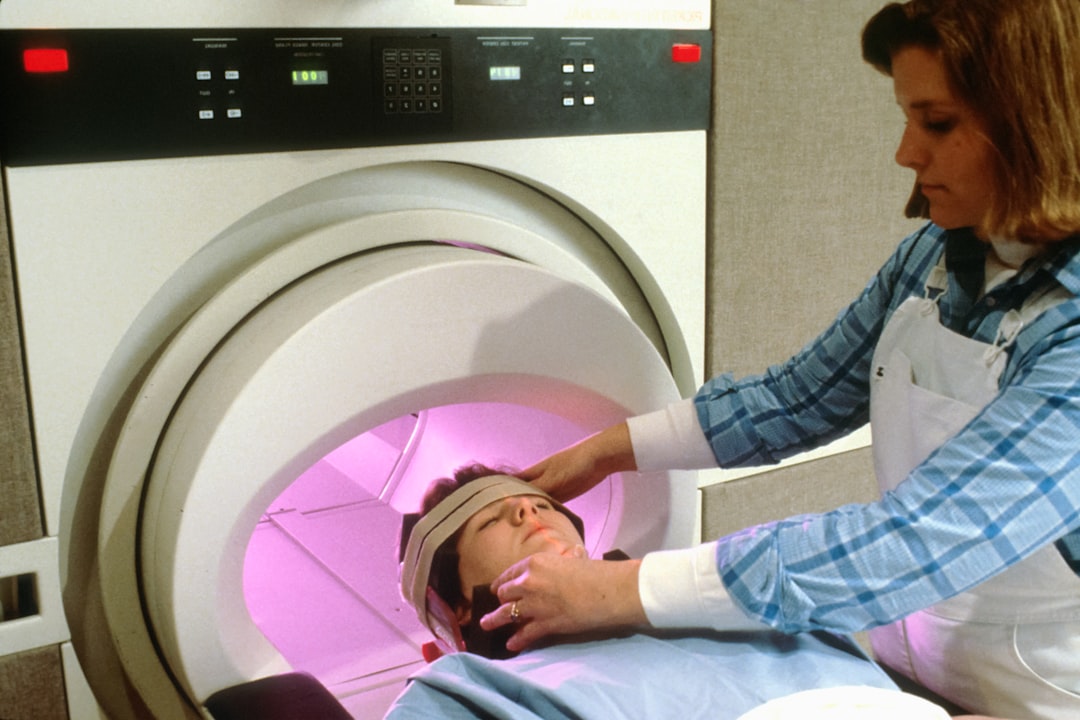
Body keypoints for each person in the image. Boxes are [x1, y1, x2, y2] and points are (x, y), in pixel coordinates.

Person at [476, 2, 1080, 718]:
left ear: (1033, 125)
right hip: (895, 676)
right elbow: (795, 400)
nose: (905, 154)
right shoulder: (934, 259)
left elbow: (907, 544)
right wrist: (606, 452)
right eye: (907, 118)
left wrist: (617, 590)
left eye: (937, 123)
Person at [388, 464, 946, 719]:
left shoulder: (722, 592)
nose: (526, 508)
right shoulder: (474, 689)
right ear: (457, 605)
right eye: (491, 522)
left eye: (541, 506)